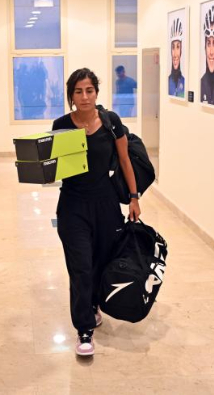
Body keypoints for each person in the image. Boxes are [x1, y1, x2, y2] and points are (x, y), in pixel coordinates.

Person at [52, 68, 142, 357]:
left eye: (89, 90)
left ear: (96, 93)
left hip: (105, 204)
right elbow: (53, 167)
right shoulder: (61, 124)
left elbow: (126, 161)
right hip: (72, 205)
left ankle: (93, 305)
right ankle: (84, 329)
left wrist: (133, 198)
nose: (84, 96)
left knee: (102, 262)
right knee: (80, 267)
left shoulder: (111, 122)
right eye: (78, 91)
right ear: (71, 96)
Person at [168, 18, 185, 98]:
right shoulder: (167, 81)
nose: (175, 54)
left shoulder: (184, 81)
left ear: (181, 50)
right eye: (173, 47)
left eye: (178, 47)